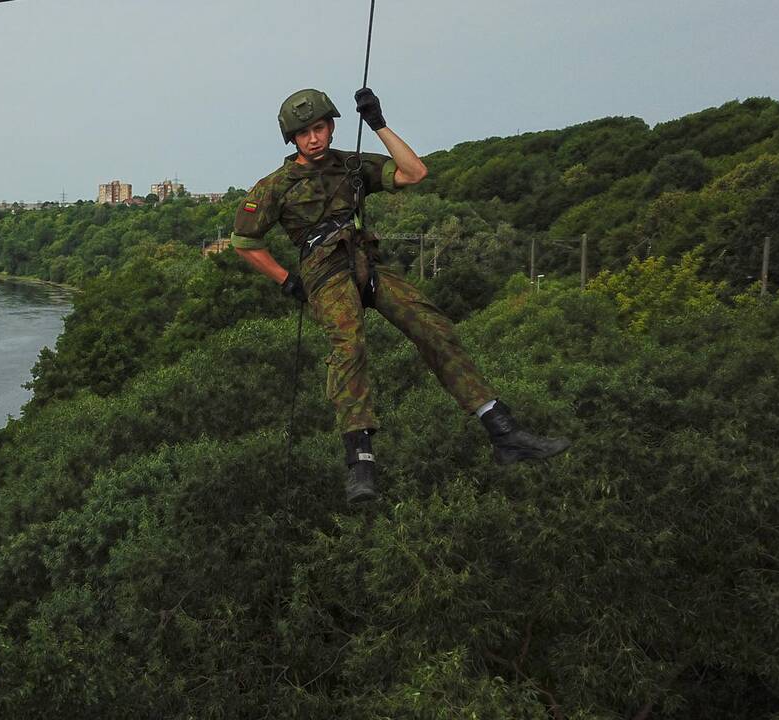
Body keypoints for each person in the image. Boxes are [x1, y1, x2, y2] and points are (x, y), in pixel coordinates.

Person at [230, 87, 570, 504]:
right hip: (325, 272)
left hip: (365, 263)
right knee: (348, 345)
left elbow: (413, 173)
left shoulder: (352, 167)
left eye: (319, 128)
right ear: (292, 139)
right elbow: (244, 241)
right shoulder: (275, 186)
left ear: (332, 126)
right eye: (304, 133)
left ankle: (502, 429)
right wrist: (286, 279)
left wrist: (378, 124)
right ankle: (360, 461)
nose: (314, 139)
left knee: (432, 326)